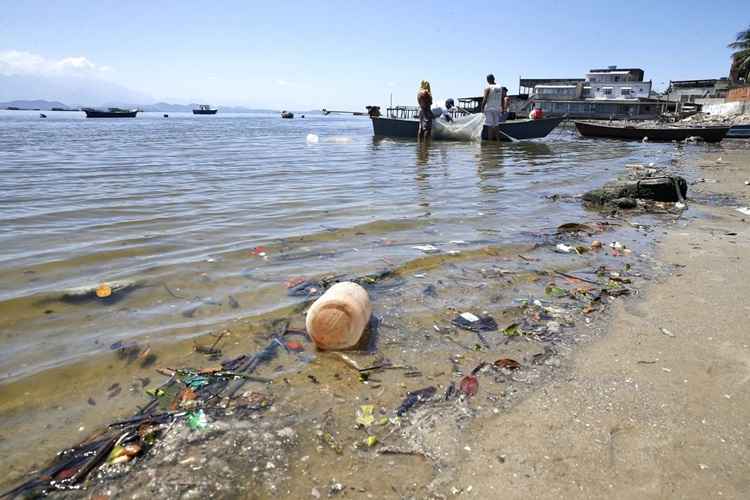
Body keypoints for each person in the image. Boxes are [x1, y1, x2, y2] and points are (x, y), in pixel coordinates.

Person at [481, 74, 504, 140]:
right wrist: (502, 107)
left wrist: (482, 108)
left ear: (487, 80)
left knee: (489, 126)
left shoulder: (488, 88)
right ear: (494, 78)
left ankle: (490, 142)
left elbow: (485, 99)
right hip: (497, 109)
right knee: (496, 125)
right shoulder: (500, 87)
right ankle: (498, 140)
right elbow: (502, 98)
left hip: (489, 109)